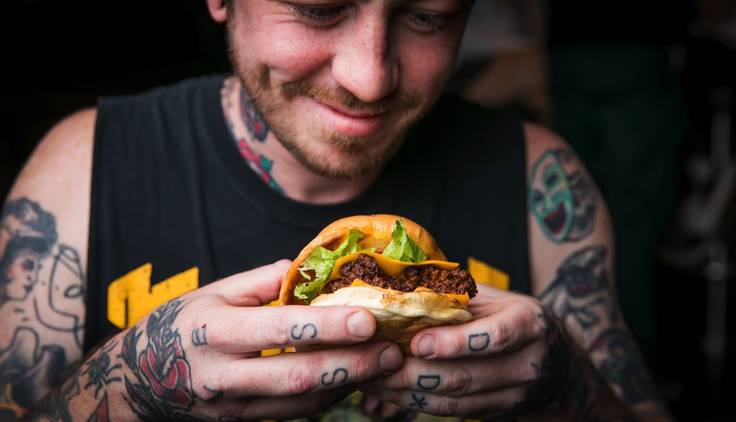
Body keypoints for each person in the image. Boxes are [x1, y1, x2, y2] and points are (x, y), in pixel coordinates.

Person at [0, 1, 673, 421]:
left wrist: (565, 388)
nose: (369, 78)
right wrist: (132, 387)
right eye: (319, 8)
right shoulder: (82, 170)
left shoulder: (541, 181)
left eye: (428, 17)